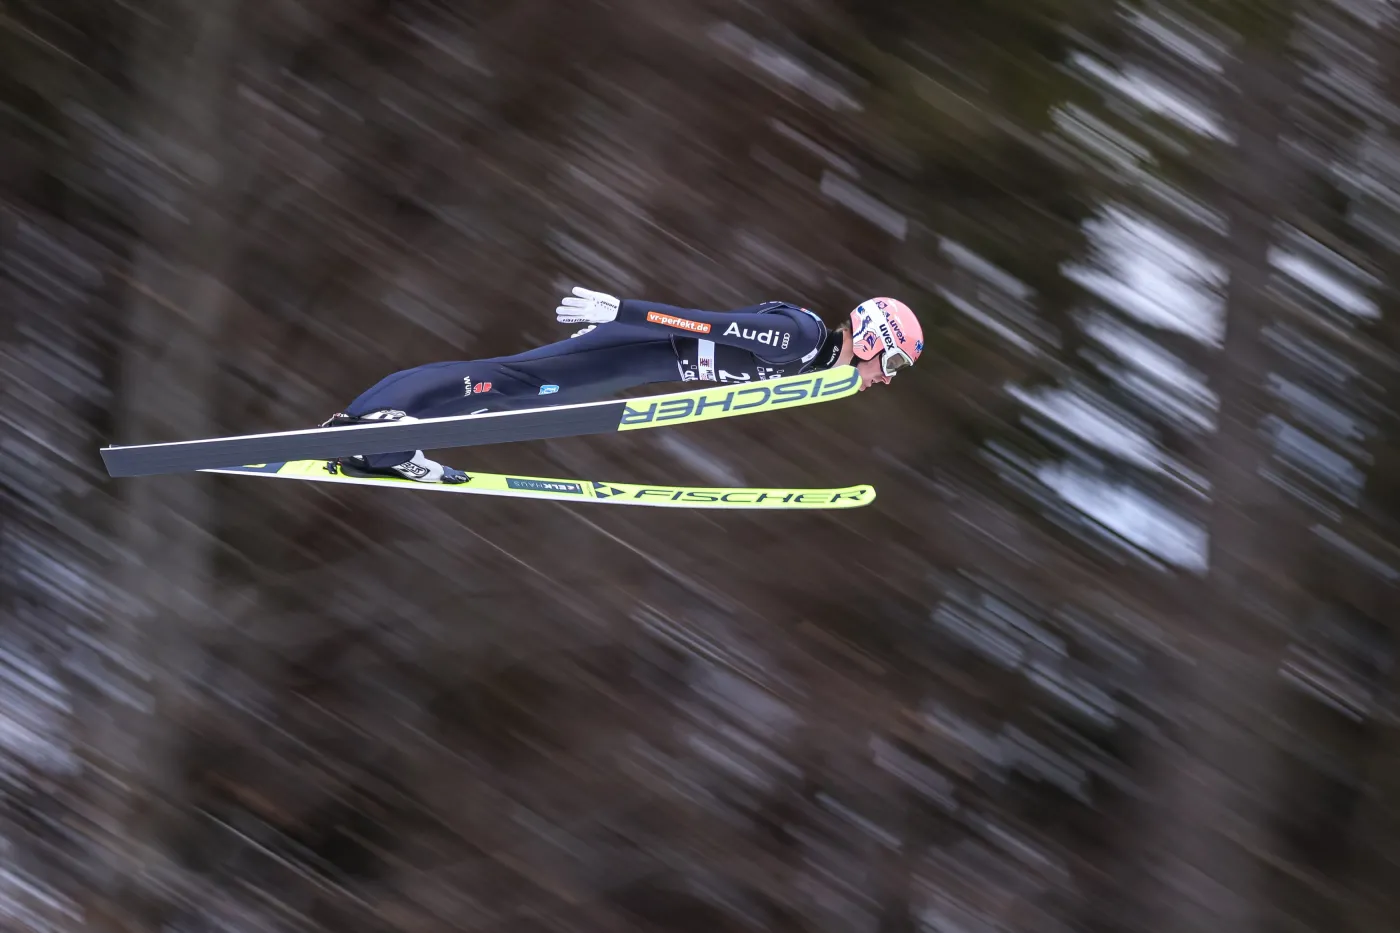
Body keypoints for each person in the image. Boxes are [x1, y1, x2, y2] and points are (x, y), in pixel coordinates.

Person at [322, 288, 924, 483]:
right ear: (869, 338)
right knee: (513, 382)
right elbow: (702, 324)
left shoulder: (816, 368)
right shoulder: (800, 339)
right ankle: (377, 432)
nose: (884, 379)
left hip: (641, 364)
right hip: (635, 348)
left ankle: (376, 436)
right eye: (889, 364)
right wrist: (622, 311)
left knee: (513, 383)